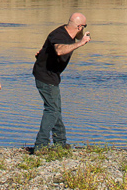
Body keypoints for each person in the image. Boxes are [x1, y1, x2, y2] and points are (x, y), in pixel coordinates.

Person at [31, 12, 91, 150]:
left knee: (56, 109)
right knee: (52, 110)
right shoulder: (59, 35)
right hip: (45, 77)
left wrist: (41, 54)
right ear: (79, 27)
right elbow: (59, 50)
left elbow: (47, 50)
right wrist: (80, 43)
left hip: (51, 76)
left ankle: (60, 143)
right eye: (84, 26)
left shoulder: (67, 36)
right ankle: (40, 145)